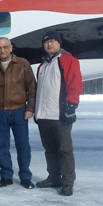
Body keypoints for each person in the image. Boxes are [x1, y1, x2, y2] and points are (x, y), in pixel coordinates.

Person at [0, 37, 36, 189]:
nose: (2, 50)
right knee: (1, 147)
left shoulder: (22, 64)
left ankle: (25, 177)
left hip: (19, 111)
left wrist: (30, 108)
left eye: (5, 47)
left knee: (23, 146)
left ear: (11, 48)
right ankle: (6, 176)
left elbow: (32, 88)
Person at [34, 30, 83, 196]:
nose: (49, 44)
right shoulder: (42, 66)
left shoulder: (68, 60)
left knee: (64, 150)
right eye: (47, 42)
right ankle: (54, 177)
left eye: (53, 41)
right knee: (50, 150)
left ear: (59, 43)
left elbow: (74, 84)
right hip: (44, 115)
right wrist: (36, 112)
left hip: (59, 114)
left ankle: (67, 182)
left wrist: (71, 106)